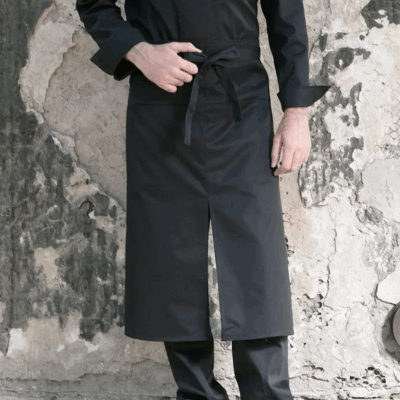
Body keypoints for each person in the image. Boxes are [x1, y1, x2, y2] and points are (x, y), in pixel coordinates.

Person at [75, 0, 331, 399]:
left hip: (241, 101)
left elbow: (287, 17)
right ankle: (197, 393)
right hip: (160, 101)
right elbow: (93, 4)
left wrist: (297, 113)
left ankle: (268, 393)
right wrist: (139, 52)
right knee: (171, 258)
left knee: (256, 258)